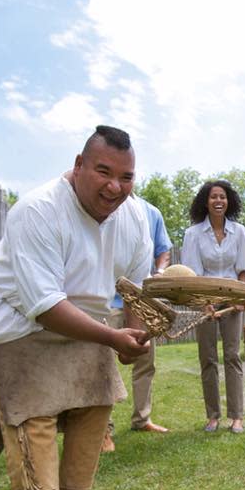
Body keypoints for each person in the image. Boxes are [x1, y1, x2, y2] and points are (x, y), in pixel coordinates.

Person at [0, 125, 153, 490]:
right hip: (18, 324)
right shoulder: (38, 210)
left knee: (98, 398)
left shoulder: (135, 216)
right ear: (78, 164)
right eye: (103, 171)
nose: (114, 186)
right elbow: (44, 305)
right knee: (35, 411)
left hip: (84, 322)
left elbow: (134, 288)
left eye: (126, 177)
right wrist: (111, 335)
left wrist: (132, 335)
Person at [181, 180, 245, 434]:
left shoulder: (240, 231)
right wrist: (205, 304)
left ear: (229, 200)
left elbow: (243, 269)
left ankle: (237, 417)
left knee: (233, 355)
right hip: (206, 299)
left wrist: (239, 296)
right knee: (208, 358)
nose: (218, 201)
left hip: (232, 298)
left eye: (222, 196)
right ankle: (213, 416)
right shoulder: (193, 234)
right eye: (213, 197)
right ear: (206, 201)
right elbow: (193, 274)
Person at [101, 192, 173, 452]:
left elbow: (163, 249)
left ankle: (142, 418)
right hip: (106, 301)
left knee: (145, 360)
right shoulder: (104, 206)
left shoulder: (150, 212)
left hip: (140, 300)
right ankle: (102, 430)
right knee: (104, 365)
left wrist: (160, 271)